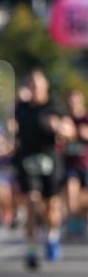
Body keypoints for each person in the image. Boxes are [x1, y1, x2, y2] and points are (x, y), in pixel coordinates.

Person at [13, 70, 73, 268]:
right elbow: (10, 127)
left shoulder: (54, 106)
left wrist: (60, 128)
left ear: (45, 86)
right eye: (31, 84)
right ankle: (31, 250)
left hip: (50, 160)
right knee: (31, 203)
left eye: (37, 84)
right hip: (27, 160)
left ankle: (51, 237)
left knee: (51, 208)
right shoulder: (21, 108)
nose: (34, 88)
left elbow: (70, 130)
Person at [63, 88, 88, 239]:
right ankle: (74, 225)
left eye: (76, 101)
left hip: (86, 164)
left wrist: (80, 132)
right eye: (70, 101)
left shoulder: (86, 117)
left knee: (83, 199)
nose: (73, 104)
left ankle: (81, 221)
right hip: (70, 164)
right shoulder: (65, 119)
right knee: (71, 193)